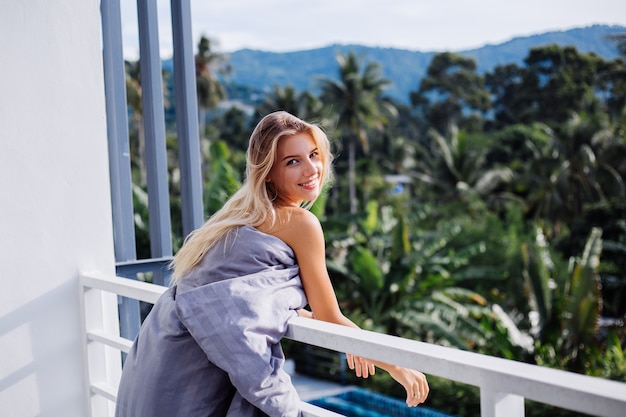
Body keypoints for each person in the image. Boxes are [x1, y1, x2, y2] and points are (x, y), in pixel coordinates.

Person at [115, 111, 429, 417]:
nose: (311, 169)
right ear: (268, 172)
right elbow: (329, 316)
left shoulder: (238, 213)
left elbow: (255, 297)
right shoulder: (301, 223)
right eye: (293, 162)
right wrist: (395, 364)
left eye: (314, 155)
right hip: (191, 368)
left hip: (160, 354)